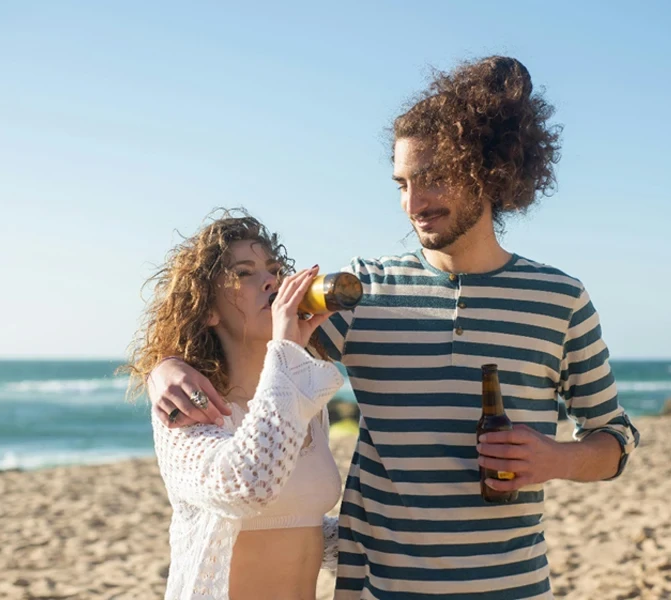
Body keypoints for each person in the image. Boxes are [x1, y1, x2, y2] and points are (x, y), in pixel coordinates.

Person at [147, 56, 640, 599]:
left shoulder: (560, 298)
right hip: (381, 589)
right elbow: (249, 340)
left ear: (489, 171)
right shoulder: (362, 291)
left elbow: (613, 436)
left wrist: (556, 459)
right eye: (402, 183)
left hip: (514, 586)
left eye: (432, 179)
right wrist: (164, 367)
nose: (413, 203)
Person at [123, 213, 346, 600]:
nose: (271, 281)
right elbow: (249, 486)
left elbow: (296, 523)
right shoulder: (188, 409)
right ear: (207, 309)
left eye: (274, 269)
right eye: (244, 273)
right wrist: (287, 350)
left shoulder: (305, 405)